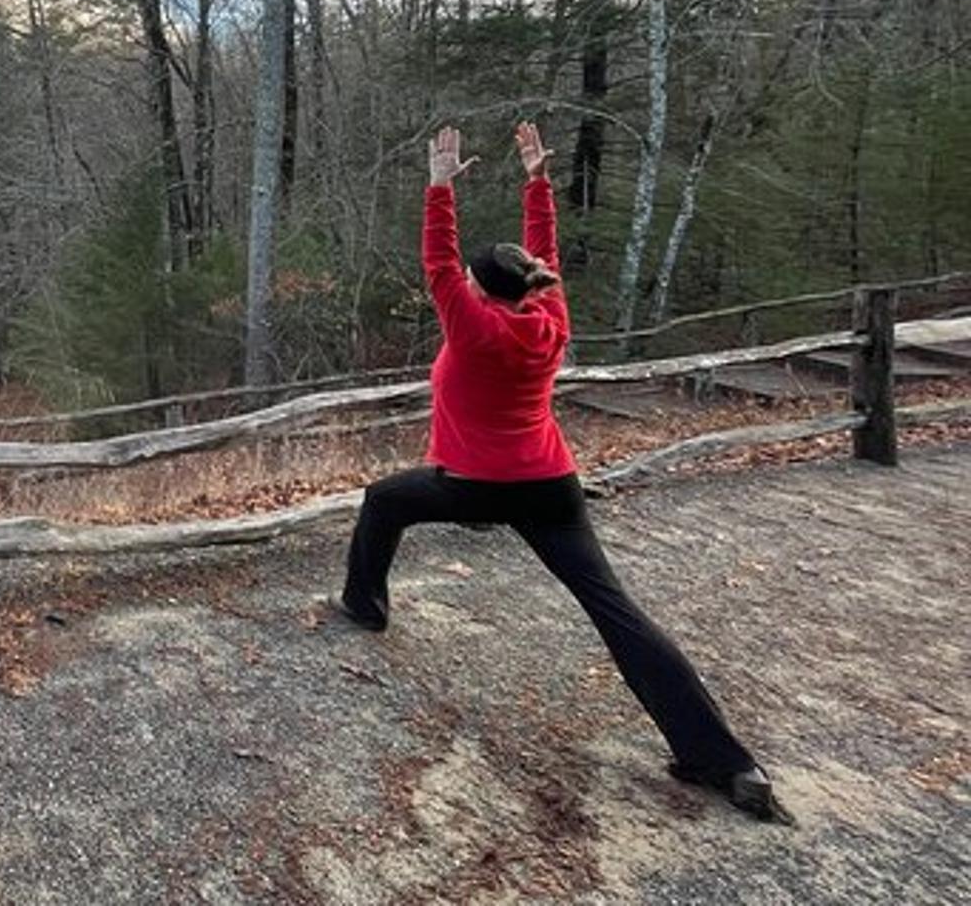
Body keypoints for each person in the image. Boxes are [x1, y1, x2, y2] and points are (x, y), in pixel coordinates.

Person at [333, 121, 790, 824]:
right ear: (530, 286)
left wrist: (440, 186)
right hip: (551, 488)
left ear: (480, 293)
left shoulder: (474, 328)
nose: (461, 284)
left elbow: (438, 262)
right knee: (617, 612)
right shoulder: (549, 313)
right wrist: (537, 181)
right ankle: (726, 761)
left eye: (470, 282)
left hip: (472, 486)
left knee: (384, 499)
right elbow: (536, 256)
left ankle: (365, 604)